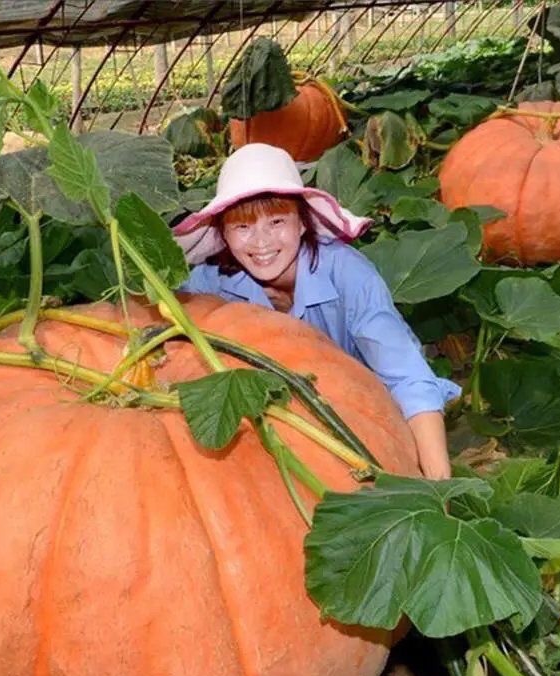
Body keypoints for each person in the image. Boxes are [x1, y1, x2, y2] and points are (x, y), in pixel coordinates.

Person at [172, 143, 460, 479]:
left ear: (303, 223)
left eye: (277, 221)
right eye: (243, 227)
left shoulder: (349, 275)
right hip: (280, 424)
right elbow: (164, 323)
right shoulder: (211, 282)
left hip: (364, 416)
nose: (261, 242)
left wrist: (439, 485)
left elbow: (408, 378)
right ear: (223, 234)